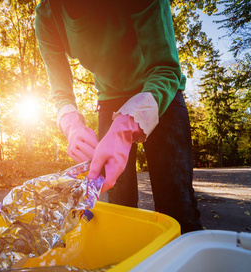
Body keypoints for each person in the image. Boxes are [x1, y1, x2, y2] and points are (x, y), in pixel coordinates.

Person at [35, 0, 202, 232]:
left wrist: (126, 126)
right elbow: (61, 92)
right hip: (110, 99)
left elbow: (166, 68)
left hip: (159, 91)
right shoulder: (47, 16)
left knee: (176, 203)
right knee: (119, 198)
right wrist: (72, 126)